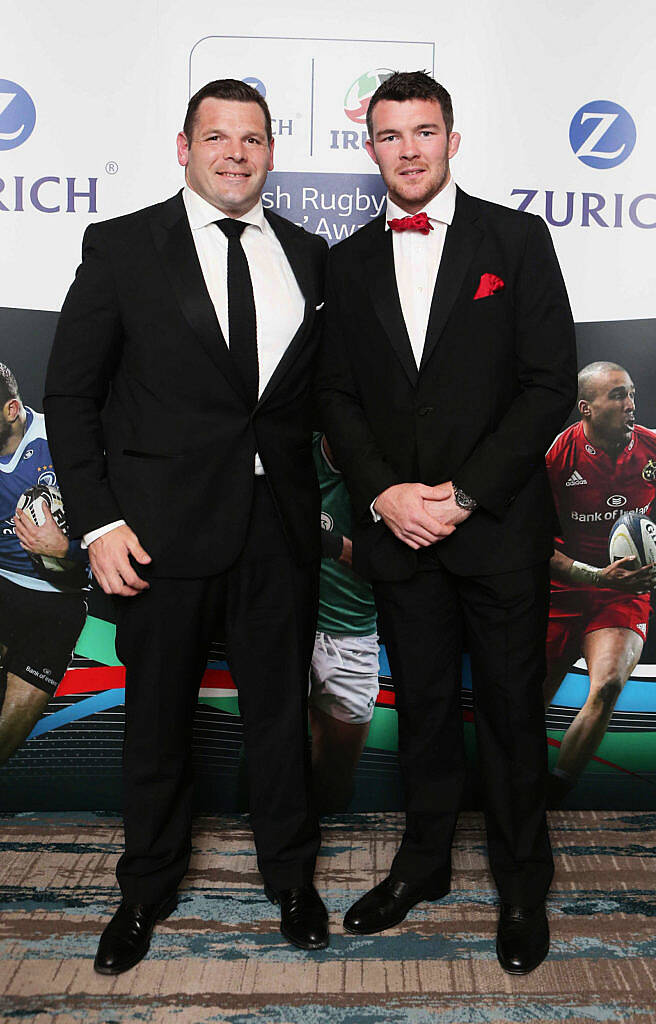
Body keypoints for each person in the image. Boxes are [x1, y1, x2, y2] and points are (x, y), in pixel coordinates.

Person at [44, 79, 329, 974]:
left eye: (252, 138)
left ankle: (292, 877)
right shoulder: (123, 246)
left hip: (278, 530)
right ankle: (146, 889)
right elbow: (71, 394)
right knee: (156, 720)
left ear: (272, 153)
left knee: (284, 716)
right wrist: (98, 523)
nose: (235, 153)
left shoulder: (312, 255)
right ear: (184, 147)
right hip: (157, 536)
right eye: (217, 137)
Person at [317, 71, 577, 975]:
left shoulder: (518, 238)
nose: (410, 150)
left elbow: (550, 383)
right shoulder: (344, 261)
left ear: (452, 140)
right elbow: (336, 396)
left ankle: (521, 887)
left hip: (496, 528)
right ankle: (422, 866)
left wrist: (463, 495)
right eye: (390, 136)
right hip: (397, 532)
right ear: (371, 148)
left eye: (424, 132)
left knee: (510, 715)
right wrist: (387, 494)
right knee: (424, 711)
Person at [543, 361, 656, 803]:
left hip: (624, 591)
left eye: (631, 393)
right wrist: (593, 574)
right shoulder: (556, 456)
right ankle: (510, 788)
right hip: (561, 587)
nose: (630, 404)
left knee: (608, 683)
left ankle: (556, 792)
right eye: (617, 396)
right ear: (585, 408)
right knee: (529, 699)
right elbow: (534, 548)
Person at [0, 364, 88, 765]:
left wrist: (65, 549)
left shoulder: (64, 440)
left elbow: (130, 529)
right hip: (2, 586)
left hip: (57, 604)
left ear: (12, 409)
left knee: (6, 737)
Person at [310, 432, 379, 813]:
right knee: (266, 753)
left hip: (350, 629)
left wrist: (331, 543)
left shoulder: (386, 469)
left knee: (336, 770)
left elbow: (394, 562)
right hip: (287, 624)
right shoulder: (292, 452)